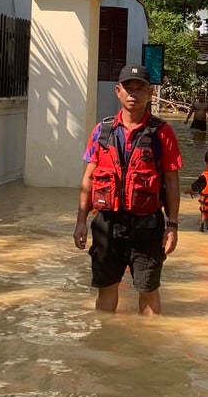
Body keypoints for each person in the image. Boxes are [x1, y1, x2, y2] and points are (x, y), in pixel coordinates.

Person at [73, 64, 182, 315]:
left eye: (140, 88)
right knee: (106, 288)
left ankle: (149, 349)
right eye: (128, 88)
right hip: (106, 225)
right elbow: (88, 179)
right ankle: (103, 342)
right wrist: (80, 221)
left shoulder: (161, 133)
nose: (134, 93)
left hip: (147, 225)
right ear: (118, 91)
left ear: (150, 93)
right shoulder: (102, 131)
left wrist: (172, 225)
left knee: (148, 289)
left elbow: (172, 180)